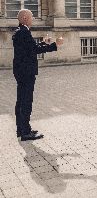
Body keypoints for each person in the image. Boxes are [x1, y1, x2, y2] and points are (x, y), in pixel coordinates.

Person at [13, 9, 64, 141]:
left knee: (21, 101)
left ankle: (22, 129)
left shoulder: (20, 31)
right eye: (31, 17)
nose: (33, 19)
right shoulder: (24, 32)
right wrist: (54, 45)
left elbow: (30, 48)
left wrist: (44, 43)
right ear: (24, 18)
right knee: (26, 102)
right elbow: (34, 50)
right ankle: (25, 132)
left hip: (21, 71)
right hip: (26, 71)